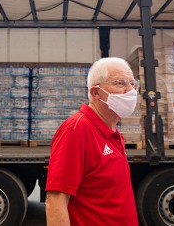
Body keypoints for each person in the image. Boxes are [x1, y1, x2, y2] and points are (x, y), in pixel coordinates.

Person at [45, 57, 139, 226]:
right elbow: (56, 201)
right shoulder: (77, 129)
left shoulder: (114, 133)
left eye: (132, 83)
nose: (130, 90)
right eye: (120, 83)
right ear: (96, 93)